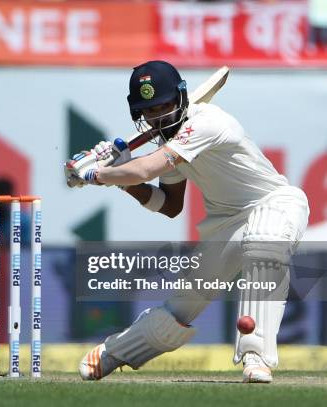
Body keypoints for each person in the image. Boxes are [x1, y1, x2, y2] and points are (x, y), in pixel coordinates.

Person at [66, 60, 309, 383]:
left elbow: (145, 169)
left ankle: (256, 354)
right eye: (150, 111)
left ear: (181, 97)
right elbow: (167, 205)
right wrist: (121, 178)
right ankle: (114, 352)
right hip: (226, 222)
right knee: (185, 304)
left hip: (276, 202)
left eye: (165, 105)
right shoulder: (169, 143)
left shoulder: (207, 122)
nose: (160, 115)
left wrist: (98, 174)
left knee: (265, 242)